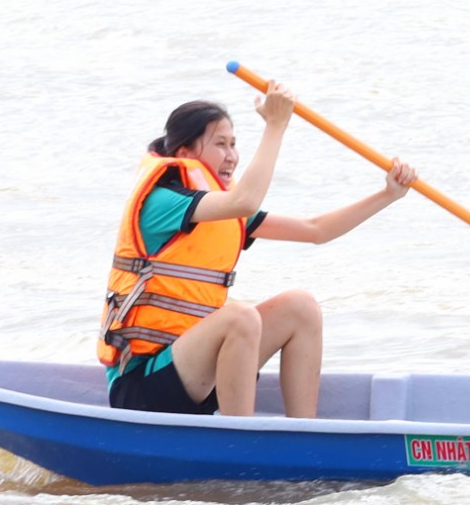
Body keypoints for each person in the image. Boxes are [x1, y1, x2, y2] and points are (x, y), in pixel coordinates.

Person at [102, 89, 417, 418]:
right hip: (142, 387)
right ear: (185, 152)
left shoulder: (222, 208)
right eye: (220, 144)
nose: (232, 156)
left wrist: (388, 195)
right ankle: (242, 442)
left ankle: (303, 436)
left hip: (197, 377)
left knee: (301, 307)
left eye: (233, 144)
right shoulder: (162, 201)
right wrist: (276, 125)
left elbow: (316, 230)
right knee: (240, 317)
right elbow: (246, 200)